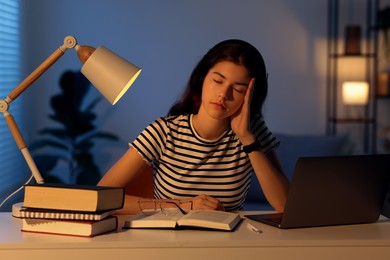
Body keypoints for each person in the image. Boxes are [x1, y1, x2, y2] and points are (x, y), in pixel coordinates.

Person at [98, 39, 289, 214]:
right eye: (217, 81)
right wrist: (184, 205)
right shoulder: (164, 132)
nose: (224, 94)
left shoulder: (252, 131)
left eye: (238, 89)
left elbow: (285, 205)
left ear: (250, 96)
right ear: (201, 79)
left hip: (228, 245)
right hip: (168, 243)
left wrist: (247, 139)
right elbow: (99, 198)